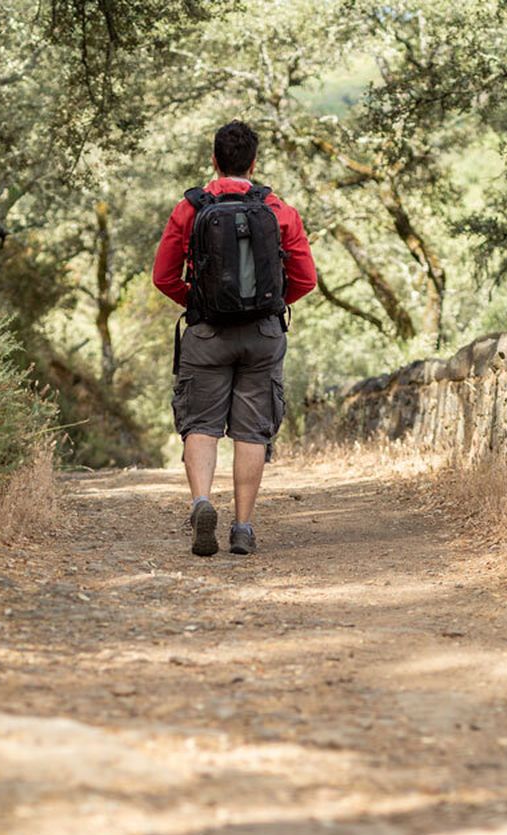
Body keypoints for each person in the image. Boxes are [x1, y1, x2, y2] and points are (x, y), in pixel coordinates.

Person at [152, 120, 316, 556]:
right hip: (262, 335)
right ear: (254, 162)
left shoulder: (190, 208)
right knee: (251, 432)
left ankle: (202, 503)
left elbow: (163, 276)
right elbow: (306, 279)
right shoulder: (279, 210)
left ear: (214, 160)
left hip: (207, 333)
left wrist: (199, 300)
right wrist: (272, 303)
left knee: (201, 425)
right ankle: (242, 527)